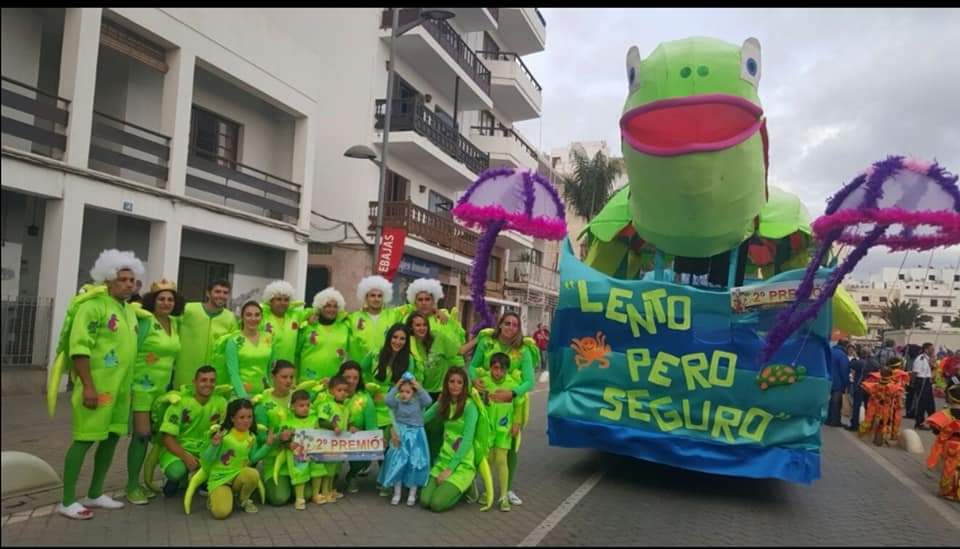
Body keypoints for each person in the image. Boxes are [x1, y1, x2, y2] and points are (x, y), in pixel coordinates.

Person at [55, 250, 142, 520]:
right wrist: (88, 386)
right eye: (123, 279)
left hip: (121, 391)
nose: (129, 284)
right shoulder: (92, 307)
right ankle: (67, 499)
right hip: (97, 388)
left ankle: (95, 492)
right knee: (84, 440)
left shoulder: (129, 311)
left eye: (132, 280)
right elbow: (79, 349)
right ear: (107, 280)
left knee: (112, 439)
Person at [467, 312, 536, 506]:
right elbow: (473, 366)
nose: (511, 328)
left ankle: (508, 489)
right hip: (486, 401)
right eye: (507, 323)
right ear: (500, 324)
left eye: (515, 325)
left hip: (514, 405)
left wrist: (512, 394)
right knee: (483, 444)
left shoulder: (524, 349)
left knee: (511, 447)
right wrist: (474, 379)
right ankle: (479, 486)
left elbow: (530, 381)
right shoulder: (487, 341)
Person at [126, 279, 184, 505]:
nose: (166, 303)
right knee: (141, 436)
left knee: (158, 437)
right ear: (153, 301)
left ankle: (150, 480)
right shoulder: (145, 322)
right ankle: (132, 485)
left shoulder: (175, 324)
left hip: (163, 391)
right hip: (141, 388)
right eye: (161, 299)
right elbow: (132, 352)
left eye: (170, 299)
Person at [359, 324, 415, 495]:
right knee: (373, 441)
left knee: (393, 443)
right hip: (373, 404)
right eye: (395, 337)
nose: (398, 341)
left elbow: (408, 387)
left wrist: (393, 397)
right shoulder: (375, 353)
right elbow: (359, 370)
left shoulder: (409, 360)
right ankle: (355, 473)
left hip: (395, 406)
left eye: (402, 338)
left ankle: (388, 479)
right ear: (389, 337)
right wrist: (368, 389)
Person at [158, 365, 228, 496]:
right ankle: (178, 479)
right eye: (203, 380)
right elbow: (167, 438)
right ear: (194, 382)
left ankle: (201, 480)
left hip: (208, 451)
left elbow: (227, 431)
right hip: (181, 450)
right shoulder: (180, 403)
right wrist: (186, 457)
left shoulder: (221, 403)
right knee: (176, 472)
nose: (208, 384)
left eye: (212, 381)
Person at [420, 367, 480, 512]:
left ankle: (467, 487)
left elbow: (466, 441)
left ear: (465, 385)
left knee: (436, 504)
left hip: (461, 462)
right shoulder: (443, 403)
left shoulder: (470, 407)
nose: (455, 385)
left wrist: (449, 470)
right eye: (451, 381)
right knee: (424, 501)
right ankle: (452, 487)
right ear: (446, 383)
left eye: (459, 382)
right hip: (443, 459)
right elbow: (421, 420)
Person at [204, 399, 275, 519]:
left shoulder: (251, 436)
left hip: (238, 475)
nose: (246, 421)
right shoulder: (223, 434)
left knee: (252, 474)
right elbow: (208, 458)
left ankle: (242, 500)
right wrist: (214, 445)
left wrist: (267, 445)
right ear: (232, 418)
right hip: (221, 479)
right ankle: (216, 496)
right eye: (242, 417)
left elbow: (253, 458)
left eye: (249, 417)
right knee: (221, 513)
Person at [407, 311, 464, 460]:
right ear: (411, 327)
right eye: (417, 325)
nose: (422, 328)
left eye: (424, 324)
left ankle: (433, 468)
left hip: (438, 395)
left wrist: (478, 338)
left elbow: (460, 351)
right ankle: (417, 470)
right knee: (417, 434)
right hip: (416, 396)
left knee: (435, 434)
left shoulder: (437, 338)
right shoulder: (407, 344)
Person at [379, 373, 432, 506]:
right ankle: (397, 493)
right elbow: (387, 400)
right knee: (398, 462)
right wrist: (397, 386)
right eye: (402, 391)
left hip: (416, 435)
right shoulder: (397, 403)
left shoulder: (419, 402)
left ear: (413, 393)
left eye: (408, 392)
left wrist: (418, 387)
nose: (404, 394)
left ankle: (412, 494)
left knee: (414, 463)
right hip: (401, 434)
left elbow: (428, 401)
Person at [478, 353, 522, 512]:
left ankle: (503, 496)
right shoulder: (484, 382)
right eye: (495, 368)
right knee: (488, 460)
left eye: (502, 369)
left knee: (501, 461)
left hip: (504, 429)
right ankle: (486, 491)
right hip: (487, 429)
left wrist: (517, 422)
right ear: (490, 368)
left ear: (507, 370)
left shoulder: (513, 384)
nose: (498, 373)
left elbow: (519, 404)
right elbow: (477, 400)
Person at [175, 279, 237, 388]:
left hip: (214, 377)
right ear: (208, 293)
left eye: (225, 293)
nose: (221, 295)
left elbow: (233, 348)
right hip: (186, 373)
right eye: (217, 291)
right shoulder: (189, 309)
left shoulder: (230, 318)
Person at [252, 360, 296, 506]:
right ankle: (264, 481)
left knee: (306, 494)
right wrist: (278, 439)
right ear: (273, 377)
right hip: (274, 458)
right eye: (284, 377)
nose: (288, 381)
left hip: (297, 457)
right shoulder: (262, 403)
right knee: (279, 499)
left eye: (291, 377)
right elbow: (262, 438)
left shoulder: (298, 397)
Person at [348, 275, 411, 362]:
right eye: (372, 295)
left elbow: (413, 306)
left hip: (386, 368)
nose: (376, 299)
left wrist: (435, 309)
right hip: (359, 371)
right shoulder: (353, 318)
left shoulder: (393, 314)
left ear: (384, 298)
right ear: (366, 298)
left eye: (379, 296)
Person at [338, 361, 378, 494]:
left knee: (366, 452)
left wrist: (360, 433)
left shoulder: (365, 399)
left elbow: (372, 428)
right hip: (333, 438)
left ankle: (353, 474)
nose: (351, 381)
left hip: (354, 442)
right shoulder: (329, 394)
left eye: (355, 378)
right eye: (347, 377)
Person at [277, 389, 321, 510]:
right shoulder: (288, 422)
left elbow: (320, 434)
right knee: (299, 473)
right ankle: (299, 498)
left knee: (318, 469)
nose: (305, 408)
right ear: (292, 407)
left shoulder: (314, 419)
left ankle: (316, 494)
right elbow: (282, 439)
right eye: (301, 405)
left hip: (314, 451)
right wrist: (288, 444)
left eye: (307, 405)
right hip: (298, 453)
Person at [297, 288, 350, 383]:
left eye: (335, 306)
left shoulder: (345, 327)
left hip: (334, 382)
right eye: (328, 306)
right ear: (320, 307)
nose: (332, 309)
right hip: (308, 381)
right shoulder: (308, 327)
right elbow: (296, 353)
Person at [223, 301, 275, 399]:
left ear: (261, 317)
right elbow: (233, 373)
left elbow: (271, 370)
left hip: (264, 395)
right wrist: (244, 397)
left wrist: (271, 392)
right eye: (248, 315)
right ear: (242, 317)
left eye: (257, 315)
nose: (253, 318)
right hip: (240, 396)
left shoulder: (269, 338)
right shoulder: (233, 341)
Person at [313, 376, 352, 503]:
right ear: (331, 391)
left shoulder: (345, 408)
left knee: (334, 468)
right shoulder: (327, 405)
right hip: (326, 443)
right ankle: (323, 492)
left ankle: (330, 489)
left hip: (338, 444)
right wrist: (333, 426)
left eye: (345, 391)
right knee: (326, 468)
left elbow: (346, 423)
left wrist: (351, 428)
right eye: (339, 390)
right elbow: (322, 420)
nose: (343, 393)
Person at [923, 383, 960, 502]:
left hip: (950, 446)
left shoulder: (945, 414)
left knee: (949, 468)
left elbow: (935, 429)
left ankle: (947, 491)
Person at [260, 280, 307, 365]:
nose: (283, 303)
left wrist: (312, 316)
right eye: (278, 299)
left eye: (286, 300)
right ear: (270, 301)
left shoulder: (295, 316)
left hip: (288, 369)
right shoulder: (261, 316)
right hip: (266, 368)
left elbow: (313, 311)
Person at [859, 364, 905, 446]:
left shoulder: (876, 384)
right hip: (885, 407)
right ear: (890, 375)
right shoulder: (893, 386)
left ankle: (868, 436)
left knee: (871, 420)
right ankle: (880, 439)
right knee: (884, 423)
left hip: (875, 406)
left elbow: (872, 394)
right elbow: (897, 395)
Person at [912, 342, 937, 430]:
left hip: (927, 382)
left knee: (930, 404)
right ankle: (919, 423)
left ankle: (933, 423)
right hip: (922, 382)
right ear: (926, 350)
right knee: (921, 404)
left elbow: (933, 368)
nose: (933, 351)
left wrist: (932, 361)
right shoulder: (920, 359)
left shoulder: (928, 359)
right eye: (932, 349)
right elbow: (915, 373)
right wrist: (913, 385)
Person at [826, 340, 850, 427]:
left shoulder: (829, 351)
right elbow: (844, 370)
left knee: (830, 402)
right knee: (836, 402)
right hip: (838, 382)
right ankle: (835, 421)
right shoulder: (842, 355)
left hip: (827, 380)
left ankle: (828, 419)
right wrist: (846, 383)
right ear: (845, 346)